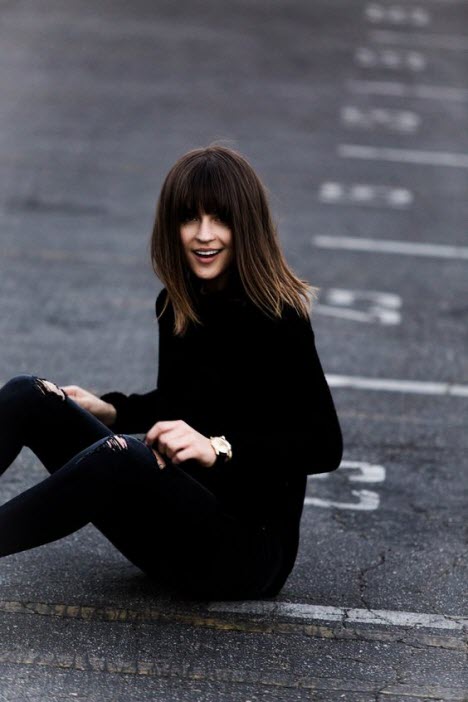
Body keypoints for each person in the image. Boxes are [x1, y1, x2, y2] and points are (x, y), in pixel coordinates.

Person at [0, 145, 342, 599]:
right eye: (189, 219)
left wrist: (219, 448)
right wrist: (112, 411)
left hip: (244, 556)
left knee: (121, 456)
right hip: (175, 527)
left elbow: (324, 444)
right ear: (171, 227)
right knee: (32, 394)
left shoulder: (278, 317)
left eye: (220, 219)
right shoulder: (176, 305)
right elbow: (183, 402)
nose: (204, 235)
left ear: (246, 225)